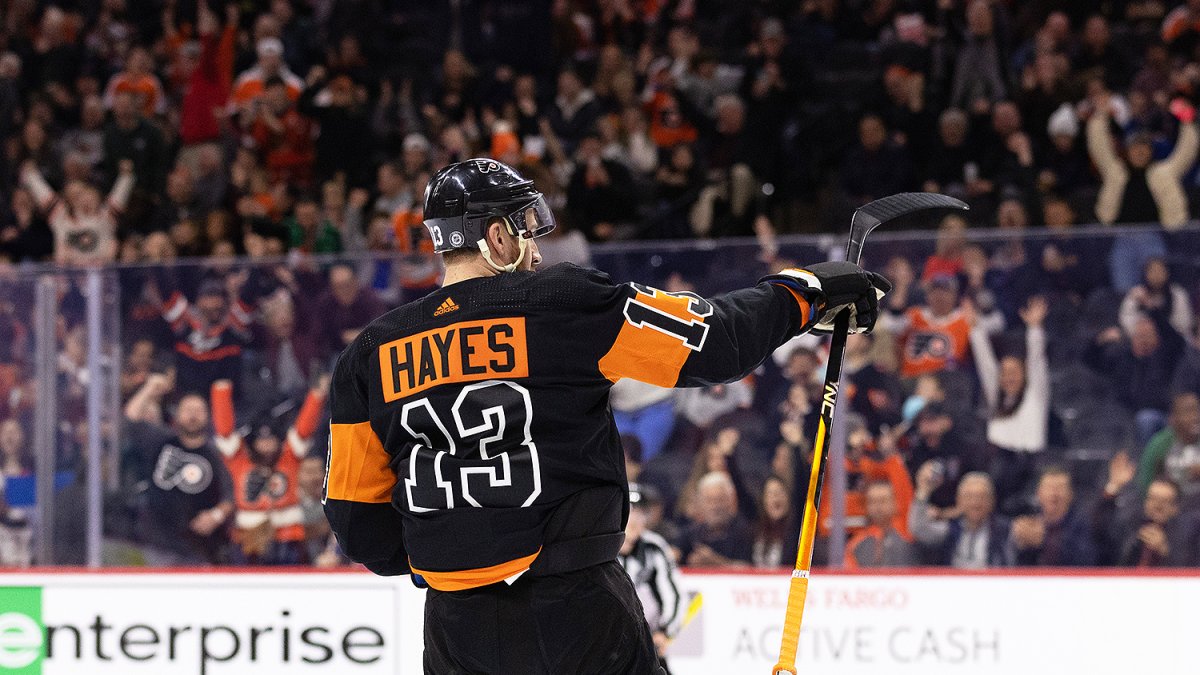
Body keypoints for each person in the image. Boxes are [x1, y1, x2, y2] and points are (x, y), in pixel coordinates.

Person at [322, 158, 890, 674]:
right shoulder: (560, 304)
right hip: (575, 610)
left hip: (453, 630)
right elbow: (715, 342)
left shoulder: (368, 355)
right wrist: (803, 293)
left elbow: (357, 523)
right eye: (527, 231)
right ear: (496, 236)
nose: (538, 252)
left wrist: (456, 558)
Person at [212, 377, 327, 565]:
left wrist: (316, 396)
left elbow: (303, 431)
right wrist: (221, 392)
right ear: (253, 442)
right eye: (261, 440)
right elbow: (224, 433)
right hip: (248, 538)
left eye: (271, 439)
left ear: (278, 440)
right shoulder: (239, 461)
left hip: (289, 537)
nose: (266, 444)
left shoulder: (289, 458)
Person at [122, 376, 234, 566]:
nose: (193, 415)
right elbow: (131, 419)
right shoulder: (160, 441)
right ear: (177, 415)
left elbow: (229, 497)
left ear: (208, 416)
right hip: (156, 544)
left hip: (200, 550)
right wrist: (149, 388)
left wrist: (215, 516)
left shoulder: (216, 455)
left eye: (198, 411)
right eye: (188, 410)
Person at [969, 296, 1051, 512]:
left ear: (1024, 375)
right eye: (1004, 373)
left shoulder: (1035, 395)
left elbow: (1036, 360)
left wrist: (1034, 329)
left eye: (1015, 372)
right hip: (999, 468)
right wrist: (975, 330)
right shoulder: (997, 398)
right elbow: (986, 364)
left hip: (1029, 466)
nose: (1008, 377)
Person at [620, 484, 686, 672]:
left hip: (648, 641)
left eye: (640, 513)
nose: (634, 519)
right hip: (609, 640)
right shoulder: (601, 547)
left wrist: (665, 631)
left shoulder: (654, 548)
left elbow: (674, 595)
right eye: (629, 512)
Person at [909, 468, 1014, 568]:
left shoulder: (1005, 531)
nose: (975, 503)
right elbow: (919, 530)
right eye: (969, 497)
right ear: (959, 500)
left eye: (982, 497)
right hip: (952, 584)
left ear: (992, 501)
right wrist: (923, 492)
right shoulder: (950, 529)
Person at [1010, 467, 1097, 566]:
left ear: (1071, 494)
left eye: (1060, 488)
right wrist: (1021, 544)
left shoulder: (1083, 524)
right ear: (1038, 493)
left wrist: (1045, 541)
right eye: (1049, 487)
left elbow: (1085, 561)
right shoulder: (1031, 523)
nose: (1054, 494)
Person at [844, 480, 919, 569]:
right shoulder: (855, 544)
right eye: (872, 501)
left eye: (883, 501)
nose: (877, 506)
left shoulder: (908, 531)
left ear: (896, 502)